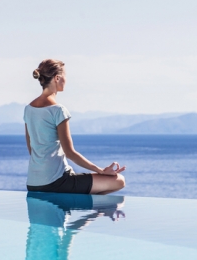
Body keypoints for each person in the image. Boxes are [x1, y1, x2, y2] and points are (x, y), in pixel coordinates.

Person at [24, 59, 126, 195]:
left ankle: (88, 211)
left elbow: (32, 149)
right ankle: (93, 212)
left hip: (33, 183)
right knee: (119, 180)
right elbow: (69, 152)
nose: (66, 80)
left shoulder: (28, 109)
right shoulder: (58, 110)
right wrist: (100, 170)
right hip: (57, 182)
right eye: (64, 76)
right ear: (57, 78)